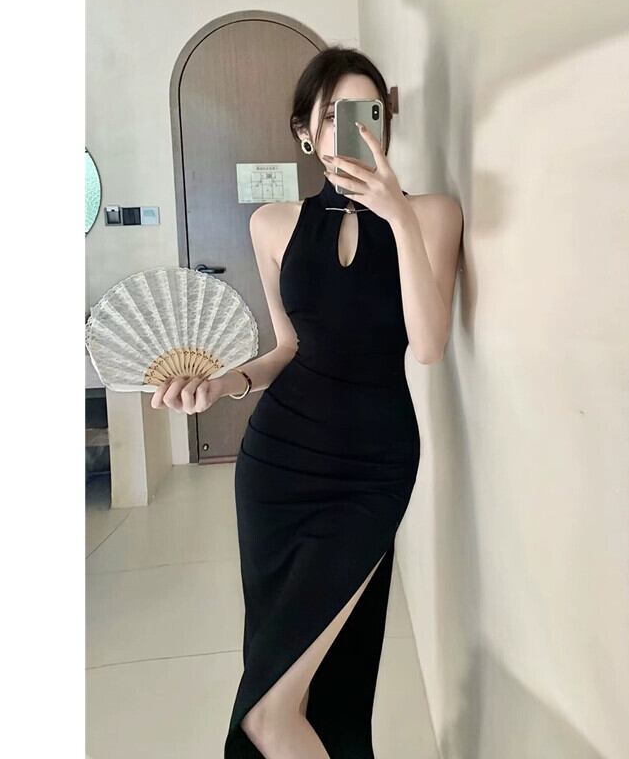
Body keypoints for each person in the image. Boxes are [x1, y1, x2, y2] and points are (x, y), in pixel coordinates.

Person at [152, 46, 462, 758]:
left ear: (387, 120)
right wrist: (225, 383)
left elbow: (428, 346)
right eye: (331, 116)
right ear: (305, 132)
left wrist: (397, 216)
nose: (351, 129)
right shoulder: (273, 224)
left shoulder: (432, 215)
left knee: (274, 710)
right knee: (282, 682)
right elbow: (288, 347)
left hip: (373, 467)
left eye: (366, 112)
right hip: (277, 466)